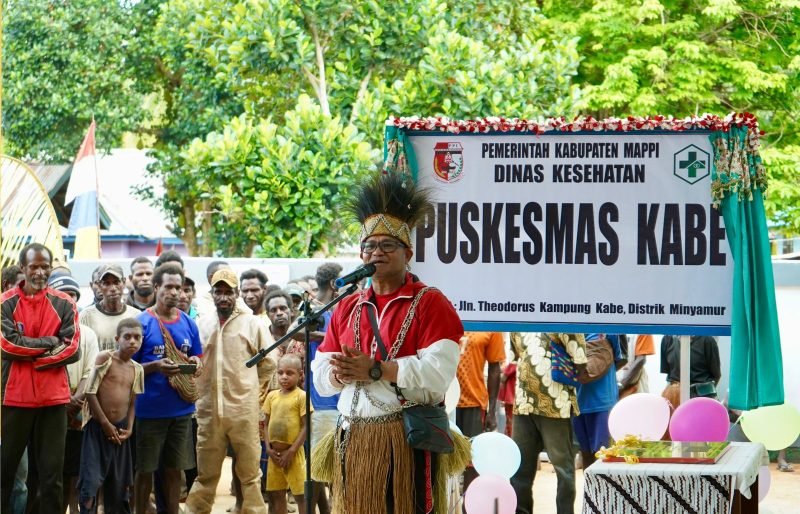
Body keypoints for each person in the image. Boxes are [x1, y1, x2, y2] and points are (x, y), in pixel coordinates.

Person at [311, 173, 465, 514]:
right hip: (353, 437)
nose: (377, 252)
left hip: (406, 440)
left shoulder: (430, 302)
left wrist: (377, 369)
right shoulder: (346, 306)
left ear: (407, 252)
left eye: (387, 245)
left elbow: (438, 375)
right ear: (360, 253)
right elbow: (320, 377)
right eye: (369, 246)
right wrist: (339, 373)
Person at [185, 269, 275, 514]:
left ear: (237, 294)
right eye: (219, 292)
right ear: (212, 294)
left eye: (228, 292)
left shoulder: (252, 324)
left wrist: (252, 391)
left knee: (250, 474)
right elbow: (194, 362)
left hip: (243, 411)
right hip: (208, 410)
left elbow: (269, 363)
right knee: (206, 474)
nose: (223, 297)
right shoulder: (202, 325)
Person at [1, 243, 82, 513]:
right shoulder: (5, 303)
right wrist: (49, 343)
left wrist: (35, 359)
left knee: (52, 477)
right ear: (22, 268)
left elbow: (72, 348)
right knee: (5, 472)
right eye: (34, 266)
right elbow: (7, 345)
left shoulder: (65, 303)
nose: (40, 272)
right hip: (15, 398)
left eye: (45, 266)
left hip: (53, 400)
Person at [133, 263, 203, 514]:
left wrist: (196, 363)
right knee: (145, 471)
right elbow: (128, 367)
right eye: (169, 287)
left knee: (175, 470)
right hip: (148, 412)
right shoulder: (141, 323)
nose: (174, 292)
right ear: (156, 287)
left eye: (178, 287)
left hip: (181, 412)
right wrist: (155, 366)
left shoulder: (188, 323)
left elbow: (198, 358)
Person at [511, 332, 587, 514]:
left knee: (563, 469)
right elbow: (518, 353)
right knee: (520, 469)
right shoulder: (517, 322)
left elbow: (580, 361)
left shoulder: (563, 318)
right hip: (524, 404)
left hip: (555, 405)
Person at [78, 318, 145, 513]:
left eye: (137, 337)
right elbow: (90, 392)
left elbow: (132, 402)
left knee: (119, 487)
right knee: (90, 484)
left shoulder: (137, 369)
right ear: (117, 339)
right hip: (97, 429)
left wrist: (130, 428)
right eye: (127, 337)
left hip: (120, 432)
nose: (132, 341)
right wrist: (105, 423)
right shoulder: (105, 359)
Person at [47, 273, 102, 514]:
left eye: (72, 295)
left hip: (80, 412)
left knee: (77, 471)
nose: (68, 299)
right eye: (63, 295)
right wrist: (62, 400)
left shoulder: (87, 334)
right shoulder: (44, 332)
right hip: (50, 410)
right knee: (53, 471)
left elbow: (91, 371)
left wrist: (76, 400)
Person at [306, 262, 343, 514]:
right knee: (318, 469)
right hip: (322, 402)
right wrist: (332, 339)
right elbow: (296, 332)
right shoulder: (314, 309)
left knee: (334, 468)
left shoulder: (332, 310)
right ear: (333, 283)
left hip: (338, 399)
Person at [455, 332, 504, 494]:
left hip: (474, 403)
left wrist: (491, 411)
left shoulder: (490, 326)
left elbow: (495, 368)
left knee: (472, 460)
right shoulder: (446, 321)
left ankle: (469, 504)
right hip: (442, 402)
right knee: (442, 459)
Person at [263, 355, 310, 514]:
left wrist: (291, 451)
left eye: (289, 373)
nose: (284, 377)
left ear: (300, 374)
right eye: (280, 372)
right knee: (276, 494)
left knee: (301, 495)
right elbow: (265, 424)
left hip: (294, 455)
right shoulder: (271, 396)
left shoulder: (301, 396)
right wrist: (268, 448)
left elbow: (306, 426)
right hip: (274, 456)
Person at [573, 334, 622, 469]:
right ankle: (588, 484)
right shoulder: (569, 330)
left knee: (604, 455)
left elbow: (617, 357)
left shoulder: (608, 329)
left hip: (602, 402)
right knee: (586, 454)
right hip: (580, 402)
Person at [81, 264, 142, 351]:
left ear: (124, 282)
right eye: (107, 283)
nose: (113, 288)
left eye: (116, 282)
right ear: (99, 286)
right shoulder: (86, 316)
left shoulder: (136, 315)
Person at [660, 335, 721, 409]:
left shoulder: (708, 340)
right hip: (675, 397)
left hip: (701, 397)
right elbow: (669, 373)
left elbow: (716, 374)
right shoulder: (667, 339)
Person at [617, 334, 656, 399]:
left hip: (635, 384)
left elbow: (641, 360)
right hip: (614, 385)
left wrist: (621, 385)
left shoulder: (642, 329)